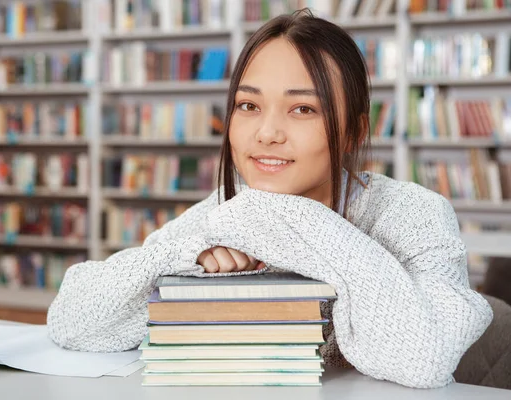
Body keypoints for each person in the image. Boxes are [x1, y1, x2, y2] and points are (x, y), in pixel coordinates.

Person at [47, 9, 493, 389]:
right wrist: (184, 254)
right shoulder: (223, 212)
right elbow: (73, 322)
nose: (266, 134)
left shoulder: (415, 214)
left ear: (354, 133)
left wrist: (280, 216)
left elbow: (420, 359)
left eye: (303, 109)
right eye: (248, 106)